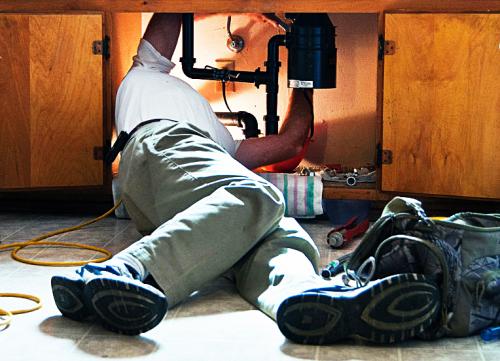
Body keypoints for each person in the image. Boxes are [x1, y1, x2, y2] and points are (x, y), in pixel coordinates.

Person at [51, 13, 440, 343]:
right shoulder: (145, 72)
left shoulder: (226, 147)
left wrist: (301, 75)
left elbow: (290, 140)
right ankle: (123, 270)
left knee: (278, 232)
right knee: (259, 196)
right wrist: (254, 10)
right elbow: (171, 9)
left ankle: (306, 296)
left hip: (186, 183)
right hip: (162, 144)